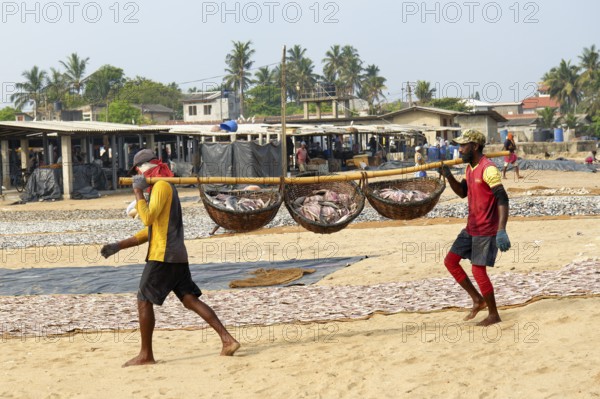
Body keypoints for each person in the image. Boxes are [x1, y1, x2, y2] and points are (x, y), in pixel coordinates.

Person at [101, 149, 240, 366]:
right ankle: (227, 340)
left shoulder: (162, 186)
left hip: (164, 255)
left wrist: (138, 193)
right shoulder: (165, 187)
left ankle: (146, 355)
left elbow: (147, 219)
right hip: (176, 255)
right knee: (190, 299)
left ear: (144, 168)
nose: (137, 174)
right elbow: (154, 229)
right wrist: (119, 245)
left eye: (138, 171)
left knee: (144, 300)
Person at [439, 129, 511, 326]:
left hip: (486, 230)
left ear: (475, 146)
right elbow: (463, 192)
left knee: (478, 272)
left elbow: (502, 199)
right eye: (460, 146)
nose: (460, 149)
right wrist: (448, 177)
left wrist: (501, 230)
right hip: (471, 227)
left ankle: (494, 314)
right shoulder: (470, 168)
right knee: (450, 261)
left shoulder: (489, 169)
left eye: (463, 146)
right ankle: (478, 300)